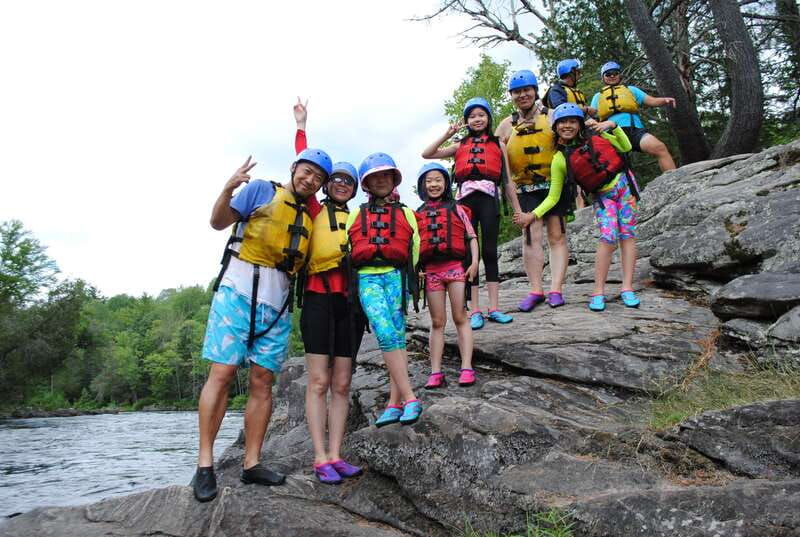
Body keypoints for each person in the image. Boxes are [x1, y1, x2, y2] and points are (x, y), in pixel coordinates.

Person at [193, 148, 332, 502]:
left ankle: (252, 462)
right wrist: (227, 189)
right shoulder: (261, 190)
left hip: (278, 303)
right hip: (237, 293)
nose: (310, 179)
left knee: (263, 382)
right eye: (306, 171)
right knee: (222, 374)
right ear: (294, 168)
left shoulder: (311, 214)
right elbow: (217, 222)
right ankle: (205, 464)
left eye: (318, 177)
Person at [422, 97, 519, 330]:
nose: (477, 119)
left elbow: (506, 180)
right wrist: (448, 134)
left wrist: (518, 210)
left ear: (488, 118)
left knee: (489, 251)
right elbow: (427, 154)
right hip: (464, 204)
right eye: (472, 116)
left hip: (489, 200)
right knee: (467, 255)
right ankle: (474, 309)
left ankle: (494, 307)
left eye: (481, 115)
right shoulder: (459, 145)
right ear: (467, 120)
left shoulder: (499, 144)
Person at [346, 153, 423, 427]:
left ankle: (393, 403)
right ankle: (411, 397)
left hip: (396, 277)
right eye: (374, 177)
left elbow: (414, 251)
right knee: (386, 333)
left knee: (399, 338)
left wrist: (409, 282)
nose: (380, 181)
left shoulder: (406, 213)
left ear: (393, 179)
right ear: (366, 184)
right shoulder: (357, 213)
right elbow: (349, 246)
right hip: (368, 279)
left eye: (385, 175)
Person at [543, 103, 640, 311]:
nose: (567, 126)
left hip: (624, 186)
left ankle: (627, 287)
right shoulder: (560, 159)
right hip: (602, 196)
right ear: (555, 127)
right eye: (562, 122)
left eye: (572, 121)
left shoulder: (596, 135)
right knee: (608, 237)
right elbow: (553, 197)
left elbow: (626, 147)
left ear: (579, 124)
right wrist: (532, 215)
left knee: (627, 234)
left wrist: (613, 125)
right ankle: (598, 291)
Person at [496, 70, 570, 311]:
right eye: (517, 92)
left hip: (554, 185)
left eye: (527, 90)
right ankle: (536, 289)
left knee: (557, 236)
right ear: (512, 96)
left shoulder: (552, 117)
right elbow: (498, 161)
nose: (522, 95)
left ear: (535, 91)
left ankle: (556, 289)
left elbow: (572, 133)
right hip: (525, 188)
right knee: (531, 239)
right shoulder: (506, 125)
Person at [415, 163, 480, 389]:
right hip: (432, 272)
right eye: (429, 181)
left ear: (445, 183)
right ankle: (435, 372)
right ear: (422, 185)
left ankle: (467, 367)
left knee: (460, 317)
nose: (433, 184)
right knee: (437, 321)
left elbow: (472, 236)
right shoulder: (418, 213)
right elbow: (414, 246)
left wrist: (474, 262)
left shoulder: (457, 208)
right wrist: (417, 269)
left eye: (438, 180)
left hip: (455, 269)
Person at [591, 61, 677, 172]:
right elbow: (592, 114)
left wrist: (664, 100)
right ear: (603, 78)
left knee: (659, 147)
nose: (612, 76)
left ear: (619, 75)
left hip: (634, 130)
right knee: (616, 167)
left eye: (615, 73)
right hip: (611, 134)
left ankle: (674, 180)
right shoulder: (598, 96)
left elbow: (651, 101)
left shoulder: (631, 90)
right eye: (608, 74)